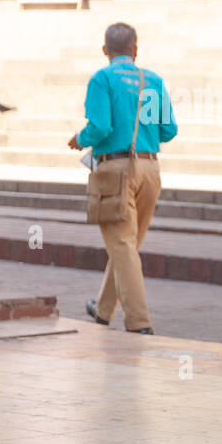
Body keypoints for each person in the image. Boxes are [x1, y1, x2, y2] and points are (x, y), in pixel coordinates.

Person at [68, 22, 177, 335]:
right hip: (150, 170)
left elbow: (100, 126)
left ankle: (139, 323)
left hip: (116, 171)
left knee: (124, 246)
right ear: (135, 50)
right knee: (127, 245)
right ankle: (103, 310)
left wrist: (80, 137)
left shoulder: (102, 79)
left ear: (105, 51)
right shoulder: (152, 80)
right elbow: (169, 130)